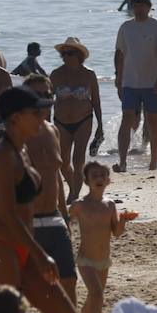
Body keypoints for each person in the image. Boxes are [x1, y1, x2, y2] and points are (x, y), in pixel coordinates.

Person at [0, 85, 77, 313]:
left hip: (25, 245)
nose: (42, 116)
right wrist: (39, 254)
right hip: (4, 247)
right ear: (15, 118)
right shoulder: (1, 157)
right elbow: (6, 215)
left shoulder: (21, 151)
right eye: (35, 112)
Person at [22, 74, 76, 303]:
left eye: (48, 94)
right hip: (27, 222)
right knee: (26, 287)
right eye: (37, 95)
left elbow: (55, 177)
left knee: (69, 279)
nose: (44, 99)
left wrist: (64, 214)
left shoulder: (53, 131)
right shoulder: (16, 134)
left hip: (54, 219)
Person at [70, 161, 128, 313]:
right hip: (85, 259)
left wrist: (124, 220)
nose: (99, 178)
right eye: (94, 176)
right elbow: (66, 224)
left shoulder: (110, 205)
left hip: (104, 260)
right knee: (97, 295)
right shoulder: (79, 205)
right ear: (86, 181)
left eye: (103, 175)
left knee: (94, 296)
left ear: (108, 180)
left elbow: (116, 233)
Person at [114, 0, 157, 172]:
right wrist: (118, 79)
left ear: (149, 7)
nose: (138, 9)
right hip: (130, 82)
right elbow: (119, 53)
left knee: (153, 121)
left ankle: (153, 162)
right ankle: (122, 162)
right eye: (135, 6)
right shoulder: (126, 27)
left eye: (142, 6)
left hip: (152, 83)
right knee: (127, 119)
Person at [50, 37, 102, 201]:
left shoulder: (89, 75)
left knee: (78, 160)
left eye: (70, 53)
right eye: (63, 53)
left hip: (84, 120)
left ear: (79, 55)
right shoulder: (56, 74)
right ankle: (73, 187)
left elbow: (96, 102)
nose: (66, 56)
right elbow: (46, 100)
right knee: (63, 162)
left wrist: (100, 126)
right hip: (60, 122)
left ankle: (74, 195)